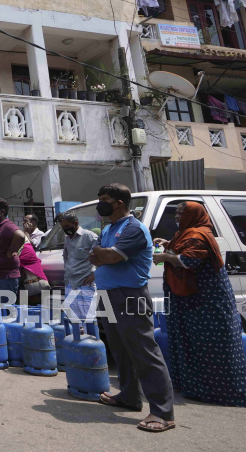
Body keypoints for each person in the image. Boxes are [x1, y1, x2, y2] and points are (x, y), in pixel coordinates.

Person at [89, 183, 175, 433]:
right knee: (120, 349)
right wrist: (101, 254)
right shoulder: (108, 228)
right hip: (106, 295)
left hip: (130, 295)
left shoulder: (134, 228)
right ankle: (129, 396)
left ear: (120, 203)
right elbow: (94, 256)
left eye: (105, 199)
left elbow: (111, 257)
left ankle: (162, 412)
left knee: (144, 351)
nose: (100, 203)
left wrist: (102, 254)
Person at [152, 202, 246, 407]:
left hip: (205, 302)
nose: (177, 216)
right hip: (190, 300)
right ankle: (194, 387)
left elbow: (189, 260)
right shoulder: (187, 233)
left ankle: (219, 392)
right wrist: (168, 243)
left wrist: (164, 256)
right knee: (189, 341)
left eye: (181, 212)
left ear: (193, 215)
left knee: (210, 344)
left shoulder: (197, 235)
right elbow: (183, 249)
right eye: (176, 212)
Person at [58, 211, 99, 322]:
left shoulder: (89, 236)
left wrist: (95, 273)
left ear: (76, 223)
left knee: (88, 318)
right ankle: (78, 338)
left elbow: (103, 256)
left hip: (85, 283)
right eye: (63, 227)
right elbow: (66, 257)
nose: (65, 229)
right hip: (70, 283)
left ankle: (90, 338)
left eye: (67, 226)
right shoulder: (67, 239)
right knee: (74, 319)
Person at [0, 197, 24, 300]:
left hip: (4, 277)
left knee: (4, 313)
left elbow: (20, 236)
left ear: (2, 212)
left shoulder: (7, 226)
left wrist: (11, 251)